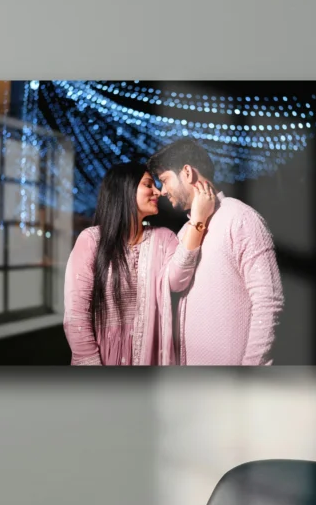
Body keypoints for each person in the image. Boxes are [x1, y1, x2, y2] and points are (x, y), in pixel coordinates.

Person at [148, 139, 284, 365]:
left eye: (164, 180)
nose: (162, 192)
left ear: (187, 173)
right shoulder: (185, 232)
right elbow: (172, 282)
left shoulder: (240, 217)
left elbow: (269, 301)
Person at [63, 162, 199, 365]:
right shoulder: (92, 240)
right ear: (124, 190)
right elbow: (76, 315)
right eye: (148, 185)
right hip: (103, 357)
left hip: (151, 357)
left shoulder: (164, 239)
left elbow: (178, 282)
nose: (158, 192)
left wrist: (198, 219)